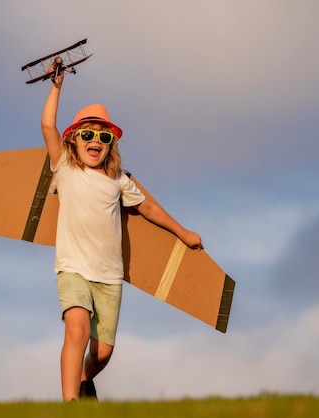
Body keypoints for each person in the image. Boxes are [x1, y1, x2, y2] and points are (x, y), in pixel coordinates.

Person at [41, 68, 203, 402]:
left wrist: (183, 232)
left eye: (104, 137)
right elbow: (47, 125)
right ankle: (70, 404)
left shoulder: (118, 180)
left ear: (111, 144)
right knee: (77, 330)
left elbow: (149, 209)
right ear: (73, 139)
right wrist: (57, 85)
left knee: (102, 353)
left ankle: (85, 379)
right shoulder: (65, 168)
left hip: (109, 275)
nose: (95, 142)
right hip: (72, 268)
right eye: (87, 135)